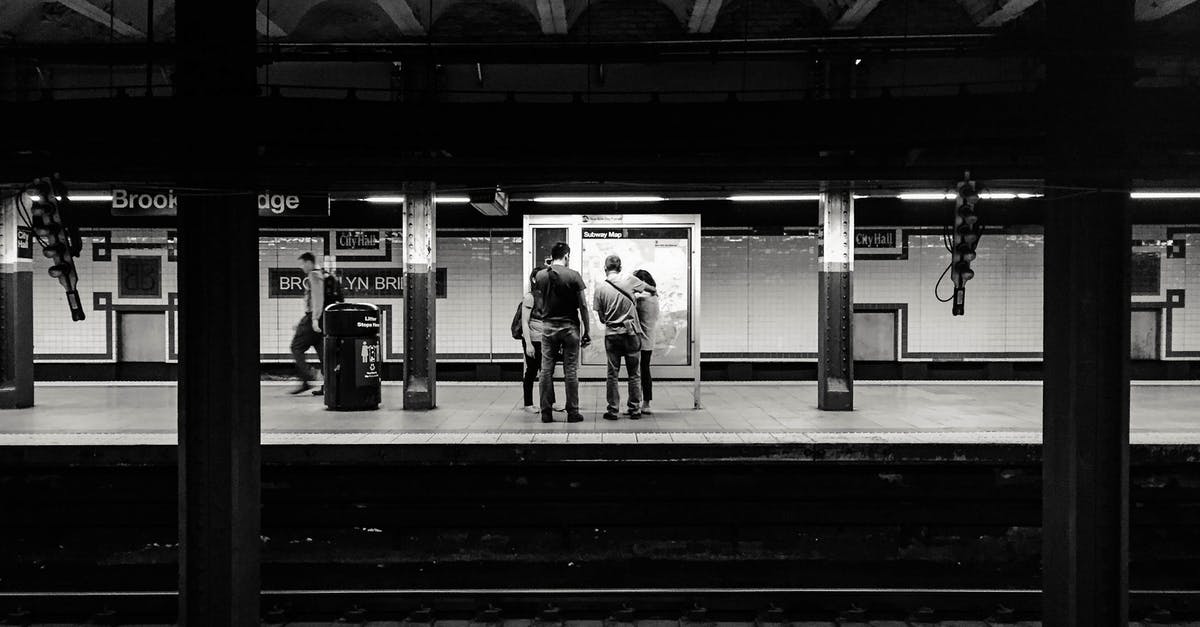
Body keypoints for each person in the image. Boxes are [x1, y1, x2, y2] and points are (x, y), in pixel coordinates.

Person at [532, 242, 591, 423]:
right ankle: (573, 412)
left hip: (548, 327)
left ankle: (546, 412)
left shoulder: (541, 275)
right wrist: (587, 330)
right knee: (570, 370)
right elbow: (582, 305)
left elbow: (539, 302)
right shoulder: (573, 275)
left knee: (546, 371)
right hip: (570, 327)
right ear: (566, 256)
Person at [592, 254, 648, 421]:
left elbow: (601, 317)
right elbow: (650, 289)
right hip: (631, 334)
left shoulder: (600, 288)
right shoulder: (630, 280)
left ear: (605, 268)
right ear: (621, 267)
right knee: (634, 373)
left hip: (612, 336)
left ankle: (613, 410)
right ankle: (635, 409)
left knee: (612, 374)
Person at [521, 268, 562, 414]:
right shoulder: (529, 297)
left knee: (547, 372)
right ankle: (528, 404)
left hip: (547, 339)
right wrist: (528, 344)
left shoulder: (548, 296)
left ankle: (550, 402)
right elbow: (524, 322)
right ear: (535, 280)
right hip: (534, 339)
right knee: (532, 371)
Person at [290, 252, 326, 395]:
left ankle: (308, 376)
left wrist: (315, 319)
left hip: (313, 318)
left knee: (296, 347)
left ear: (309, 263)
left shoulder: (314, 275)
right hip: (316, 319)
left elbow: (318, 298)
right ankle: (328, 386)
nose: (302, 266)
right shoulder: (319, 275)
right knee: (323, 355)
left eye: (303, 263)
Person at [632, 269, 660, 415]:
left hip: (637, 340)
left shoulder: (638, 299)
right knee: (645, 370)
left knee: (636, 373)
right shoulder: (655, 298)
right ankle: (646, 403)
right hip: (649, 340)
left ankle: (635, 403)